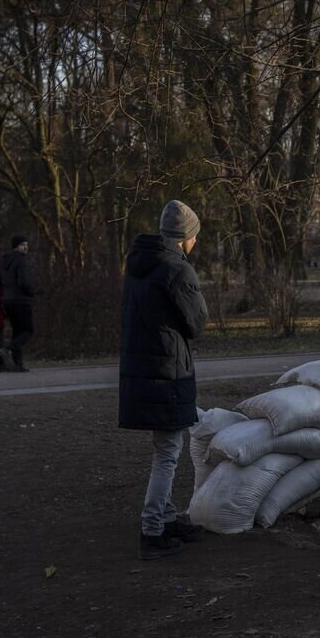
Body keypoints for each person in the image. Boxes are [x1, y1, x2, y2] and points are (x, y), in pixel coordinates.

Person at [119, 199, 209, 561]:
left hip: (144, 369)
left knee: (166, 447)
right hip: (168, 371)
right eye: (195, 237)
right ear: (186, 237)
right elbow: (196, 323)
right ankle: (153, 528)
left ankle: (168, 518)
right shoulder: (177, 269)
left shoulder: (139, 265)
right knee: (168, 452)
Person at [0, 234, 35, 372]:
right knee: (28, 330)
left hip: (8, 301)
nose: (26, 247)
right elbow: (23, 281)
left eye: (26, 244)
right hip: (21, 300)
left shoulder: (4, 261)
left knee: (17, 331)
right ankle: (8, 349)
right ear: (16, 246)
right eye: (22, 244)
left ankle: (17, 364)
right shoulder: (21, 260)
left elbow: (0, 280)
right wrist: (31, 291)